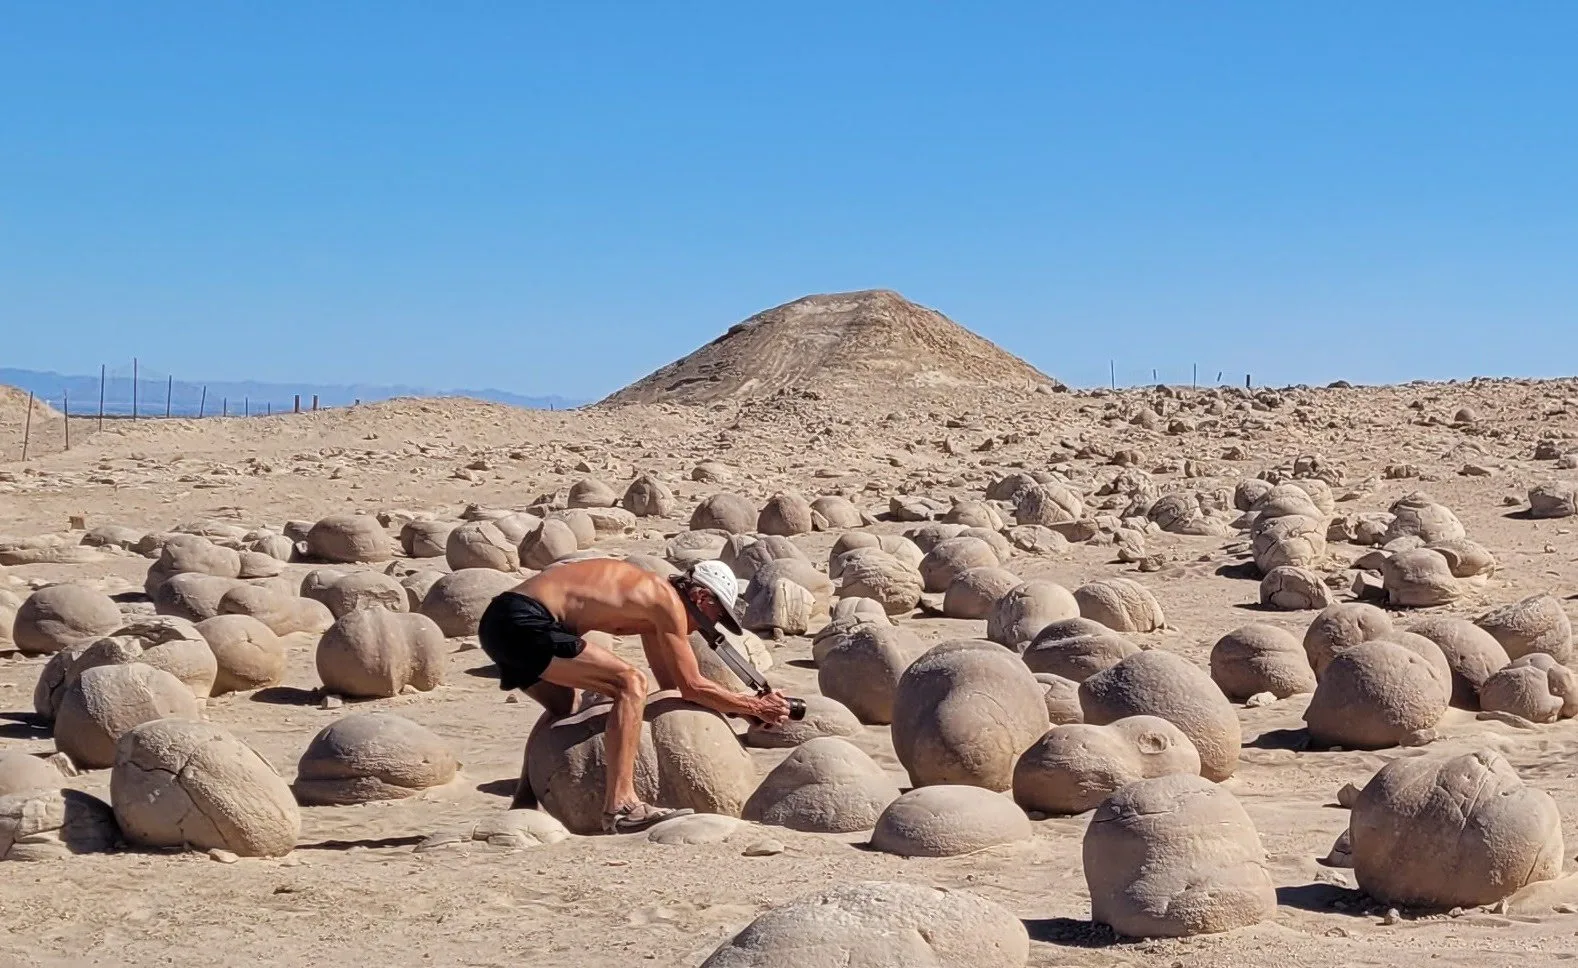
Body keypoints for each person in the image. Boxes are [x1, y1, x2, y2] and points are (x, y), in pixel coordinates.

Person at [478, 557, 793, 833]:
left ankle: (523, 804)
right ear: (699, 596)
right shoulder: (667, 603)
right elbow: (691, 686)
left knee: (563, 706)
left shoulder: (651, 605)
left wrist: (743, 710)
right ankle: (621, 805)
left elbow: (673, 688)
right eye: (716, 616)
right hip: (523, 621)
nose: (712, 626)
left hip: (499, 622)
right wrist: (753, 703)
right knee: (630, 683)